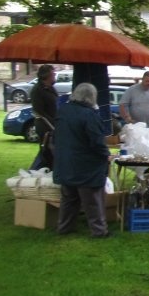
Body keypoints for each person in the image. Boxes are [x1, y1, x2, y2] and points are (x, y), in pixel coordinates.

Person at [53, 83, 112, 238]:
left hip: (65, 161)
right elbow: (97, 141)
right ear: (91, 97)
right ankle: (99, 230)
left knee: (68, 199)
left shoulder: (63, 111)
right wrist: (106, 154)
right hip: (85, 165)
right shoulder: (89, 115)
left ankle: (64, 227)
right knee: (92, 200)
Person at [30, 63, 59, 170]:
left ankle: (50, 169)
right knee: (46, 150)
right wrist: (52, 124)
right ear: (46, 76)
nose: (54, 76)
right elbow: (39, 111)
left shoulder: (51, 88)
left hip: (53, 123)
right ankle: (37, 169)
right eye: (53, 74)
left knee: (51, 150)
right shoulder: (38, 90)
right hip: (45, 125)